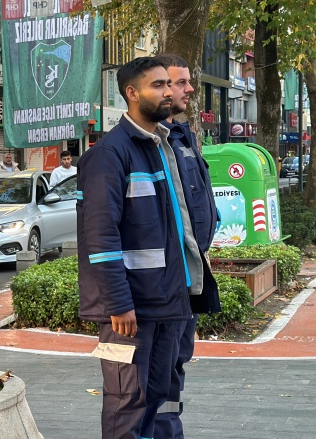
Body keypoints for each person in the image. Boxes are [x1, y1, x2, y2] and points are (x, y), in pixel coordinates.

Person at [76, 56, 203, 439]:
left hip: (168, 300)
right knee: (127, 404)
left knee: (161, 397)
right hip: (129, 311)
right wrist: (118, 303)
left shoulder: (162, 146)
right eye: (158, 85)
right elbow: (100, 237)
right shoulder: (109, 154)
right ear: (132, 93)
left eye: (170, 84)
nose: (169, 92)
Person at [154, 53, 221, 439]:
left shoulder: (184, 136)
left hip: (191, 275)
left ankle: (170, 431)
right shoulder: (140, 145)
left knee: (177, 364)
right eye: (180, 82)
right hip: (164, 283)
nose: (189, 89)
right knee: (157, 372)